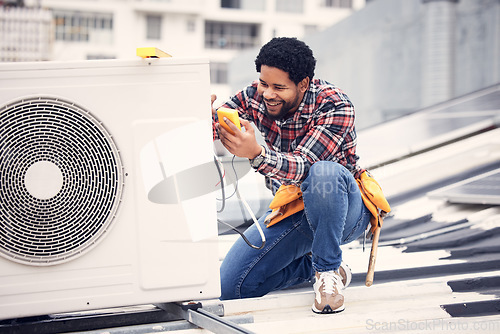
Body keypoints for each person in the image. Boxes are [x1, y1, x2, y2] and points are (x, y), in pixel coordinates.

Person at [212, 37, 371, 314]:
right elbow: (217, 127)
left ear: (303, 84)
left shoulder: (335, 105)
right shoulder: (254, 96)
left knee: (324, 172)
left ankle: (327, 271)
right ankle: (309, 268)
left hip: (342, 210)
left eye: (279, 87)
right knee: (232, 288)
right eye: (264, 83)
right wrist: (198, 118)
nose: (268, 93)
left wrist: (256, 154)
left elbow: (304, 166)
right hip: (293, 209)